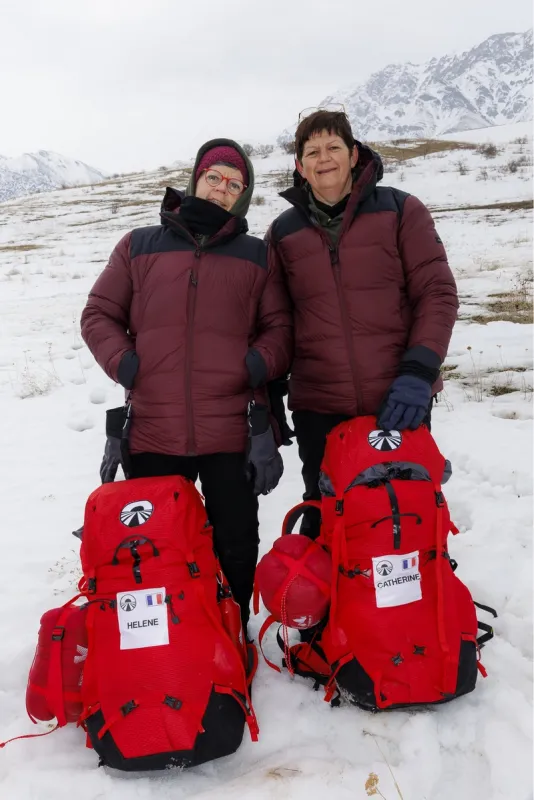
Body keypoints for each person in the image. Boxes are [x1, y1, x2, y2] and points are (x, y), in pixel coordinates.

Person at [81, 138, 292, 628]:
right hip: (154, 428)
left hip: (230, 430)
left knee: (236, 541)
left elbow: (281, 330)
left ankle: (231, 632)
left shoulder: (257, 256)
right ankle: (169, 642)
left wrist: (254, 366)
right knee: (156, 543)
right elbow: (98, 314)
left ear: (243, 196)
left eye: (234, 184)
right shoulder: (139, 246)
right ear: (196, 178)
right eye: (214, 177)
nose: (221, 189)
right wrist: (126, 364)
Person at [267, 109, 458, 539]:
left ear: (354, 155)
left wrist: (419, 371)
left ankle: (417, 601)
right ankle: (335, 603)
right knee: (329, 516)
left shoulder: (400, 210)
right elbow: (275, 321)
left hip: (398, 398)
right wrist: (269, 398)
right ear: (300, 166)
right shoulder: (283, 233)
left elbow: (437, 293)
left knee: (405, 512)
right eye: (312, 151)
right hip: (320, 407)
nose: (324, 158)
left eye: (334, 147)